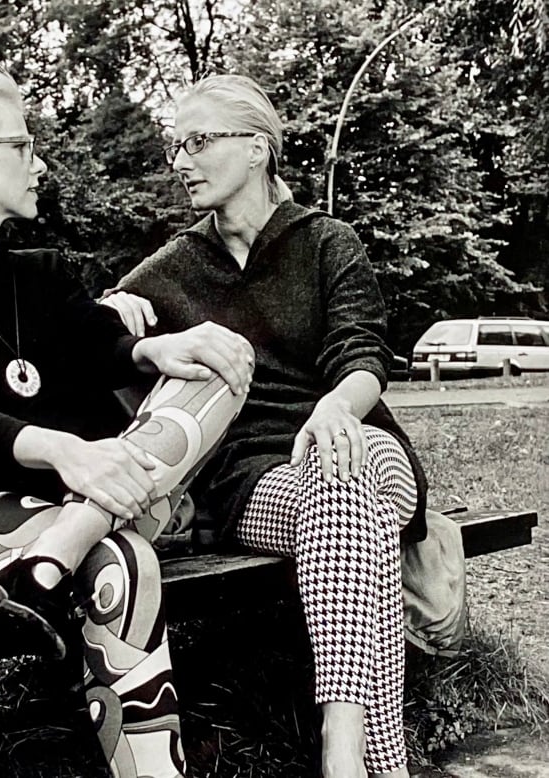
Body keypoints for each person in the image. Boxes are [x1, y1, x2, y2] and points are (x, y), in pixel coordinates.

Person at [0, 35, 254, 778]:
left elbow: (102, 344)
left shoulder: (42, 274)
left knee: (218, 364)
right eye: (25, 144)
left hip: (72, 507)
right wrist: (65, 450)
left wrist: (160, 350)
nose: (40, 162)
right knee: (127, 560)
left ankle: (57, 552)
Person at [101, 75, 428, 778]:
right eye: (174, 146)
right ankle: (367, 756)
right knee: (343, 495)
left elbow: (364, 352)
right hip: (256, 483)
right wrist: (124, 327)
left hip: (356, 441)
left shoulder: (326, 242)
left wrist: (336, 406)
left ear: (256, 148)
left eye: (197, 142)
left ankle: (344, 753)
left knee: (348, 463)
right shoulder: (175, 265)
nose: (179, 161)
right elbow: (89, 332)